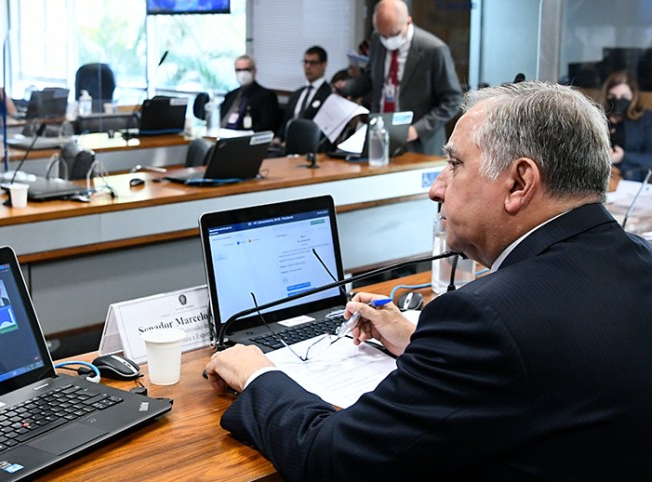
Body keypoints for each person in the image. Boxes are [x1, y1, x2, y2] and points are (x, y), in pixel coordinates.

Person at [206, 81, 652, 480]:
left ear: (520, 183)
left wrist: (257, 375)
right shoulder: (640, 259)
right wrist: (422, 344)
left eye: (455, 164)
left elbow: (331, 459)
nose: (436, 189)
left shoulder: (485, 319)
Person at [338, 0, 462, 156]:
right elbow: (371, 78)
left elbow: (453, 100)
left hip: (417, 143)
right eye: (383, 35)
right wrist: (346, 87)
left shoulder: (434, 50)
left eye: (393, 34)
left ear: (408, 21)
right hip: (379, 134)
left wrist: (417, 129)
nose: (387, 40)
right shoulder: (377, 39)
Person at [599, 70, 652, 181]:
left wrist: (624, 156)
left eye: (624, 96)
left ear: (633, 96)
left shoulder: (645, 119)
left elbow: (649, 158)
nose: (618, 100)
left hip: (631, 178)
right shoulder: (599, 117)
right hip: (599, 175)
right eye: (613, 96)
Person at [276, 46, 333, 143]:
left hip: (311, 145)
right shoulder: (297, 94)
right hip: (286, 145)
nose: (308, 66)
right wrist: (278, 138)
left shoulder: (329, 94)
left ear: (324, 64)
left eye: (313, 63)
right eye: (305, 62)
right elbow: (286, 122)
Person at [219, 55, 279, 133]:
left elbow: (266, 126)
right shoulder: (230, 95)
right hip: (221, 134)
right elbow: (220, 118)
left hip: (243, 137)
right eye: (238, 70)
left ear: (254, 71)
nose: (242, 74)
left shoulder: (266, 96)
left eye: (246, 70)